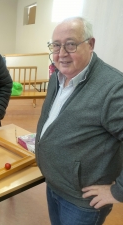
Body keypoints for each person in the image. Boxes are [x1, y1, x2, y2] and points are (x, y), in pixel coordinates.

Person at [35, 17, 123, 225]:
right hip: (54, 185)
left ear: (90, 44)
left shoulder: (113, 89)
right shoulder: (57, 77)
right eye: (56, 45)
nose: (61, 53)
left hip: (82, 202)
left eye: (71, 44)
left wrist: (118, 191)